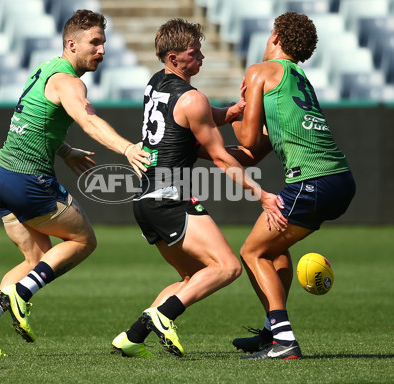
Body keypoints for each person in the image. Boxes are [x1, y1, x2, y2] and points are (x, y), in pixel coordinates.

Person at [0, 9, 150, 357]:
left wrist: (64, 150)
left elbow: (31, 117)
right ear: (72, 44)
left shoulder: (46, 69)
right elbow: (89, 121)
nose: (102, 50)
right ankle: (23, 295)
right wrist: (126, 148)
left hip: (0, 175)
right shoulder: (69, 82)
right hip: (27, 181)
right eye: (94, 43)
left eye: (103, 43)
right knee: (84, 240)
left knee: (35, 260)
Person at [110, 18, 283, 358]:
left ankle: (131, 337)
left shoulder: (155, 83)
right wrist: (262, 195)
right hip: (170, 196)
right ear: (174, 58)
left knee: (192, 277)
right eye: (194, 52)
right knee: (227, 267)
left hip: (144, 199)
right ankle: (164, 316)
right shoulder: (193, 98)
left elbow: (191, 118)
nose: (201, 57)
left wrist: (231, 112)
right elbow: (220, 158)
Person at [227, 11, 356, 360]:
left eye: (270, 33)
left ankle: (283, 341)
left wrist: (236, 111)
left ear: (277, 38)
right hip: (339, 180)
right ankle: (273, 333)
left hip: (312, 180)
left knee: (251, 252)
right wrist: (206, 152)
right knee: (273, 250)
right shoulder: (299, 78)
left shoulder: (259, 73)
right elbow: (256, 153)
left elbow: (249, 141)